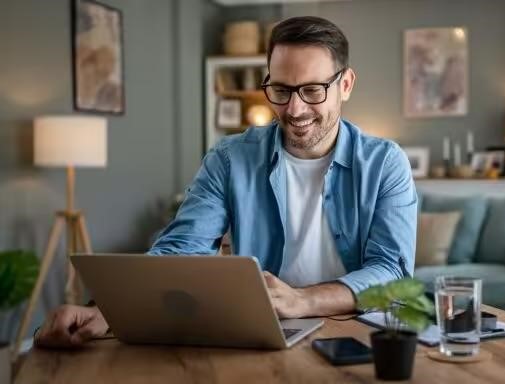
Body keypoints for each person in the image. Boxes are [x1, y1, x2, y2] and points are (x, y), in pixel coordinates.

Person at [34, 16, 417, 349]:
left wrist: (303, 300)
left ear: (346, 84)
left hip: (361, 336)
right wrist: (103, 313)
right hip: (262, 336)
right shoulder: (230, 158)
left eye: (313, 90)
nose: (294, 109)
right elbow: (181, 249)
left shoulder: (385, 163)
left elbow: (392, 270)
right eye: (281, 90)